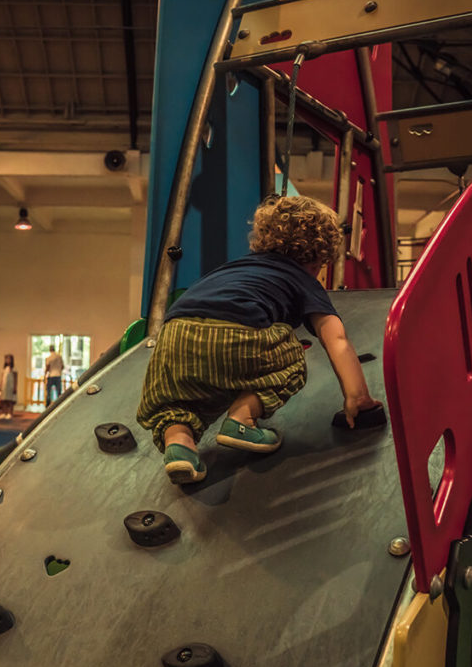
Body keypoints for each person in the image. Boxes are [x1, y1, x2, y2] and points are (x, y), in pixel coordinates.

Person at [136, 195, 380, 485]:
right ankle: (242, 420)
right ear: (318, 257)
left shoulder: (234, 268)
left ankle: (179, 445)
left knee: (176, 400)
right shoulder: (302, 279)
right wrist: (357, 397)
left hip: (174, 334)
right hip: (235, 334)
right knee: (290, 354)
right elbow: (335, 338)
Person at [0, 353, 18, 420]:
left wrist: (15, 387)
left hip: (10, 386)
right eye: (6, 359)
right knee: (4, 400)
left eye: (9, 359)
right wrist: (0, 386)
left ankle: (10, 413)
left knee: (10, 400)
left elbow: (15, 378)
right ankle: (4, 413)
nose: (7, 360)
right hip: (4, 386)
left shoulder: (14, 369)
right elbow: (2, 378)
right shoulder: (4, 368)